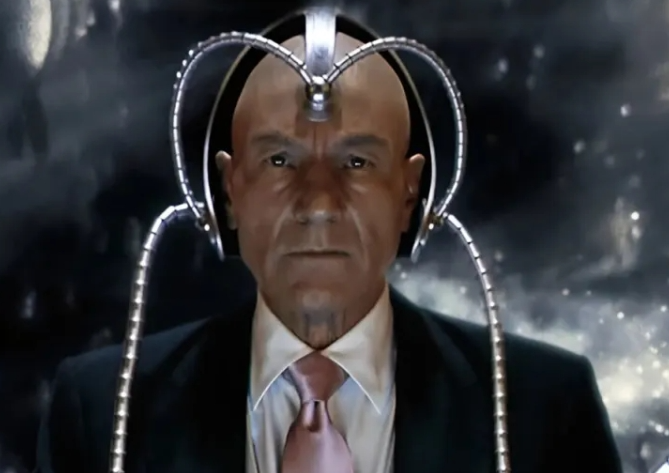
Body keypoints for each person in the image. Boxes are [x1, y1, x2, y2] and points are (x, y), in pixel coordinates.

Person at [36, 28, 623, 473]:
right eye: (280, 160)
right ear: (229, 192)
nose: (319, 202)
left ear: (410, 195)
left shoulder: (545, 408)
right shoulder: (101, 410)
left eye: (357, 162)